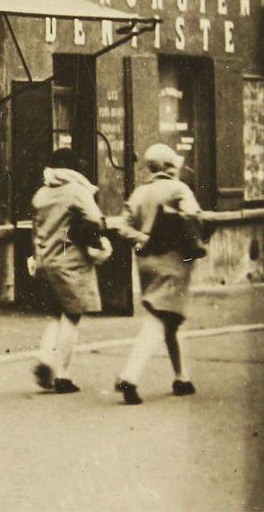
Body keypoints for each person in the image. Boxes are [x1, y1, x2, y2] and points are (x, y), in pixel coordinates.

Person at [113, 143, 204, 405]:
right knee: (159, 319)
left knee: (169, 321)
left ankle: (182, 378)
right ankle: (130, 376)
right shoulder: (179, 189)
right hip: (175, 263)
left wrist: (144, 239)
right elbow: (192, 217)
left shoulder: (140, 192)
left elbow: (123, 226)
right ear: (168, 167)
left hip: (146, 263)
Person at [30, 147, 109, 394]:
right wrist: (97, 244)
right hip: (71, 261)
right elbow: (95, 220)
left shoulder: (40, 194)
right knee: (72, 315)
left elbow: (36, 230)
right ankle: (63, 374)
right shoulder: (76, 192)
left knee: (56, 313)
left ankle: (45, 356)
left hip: (46, 260)